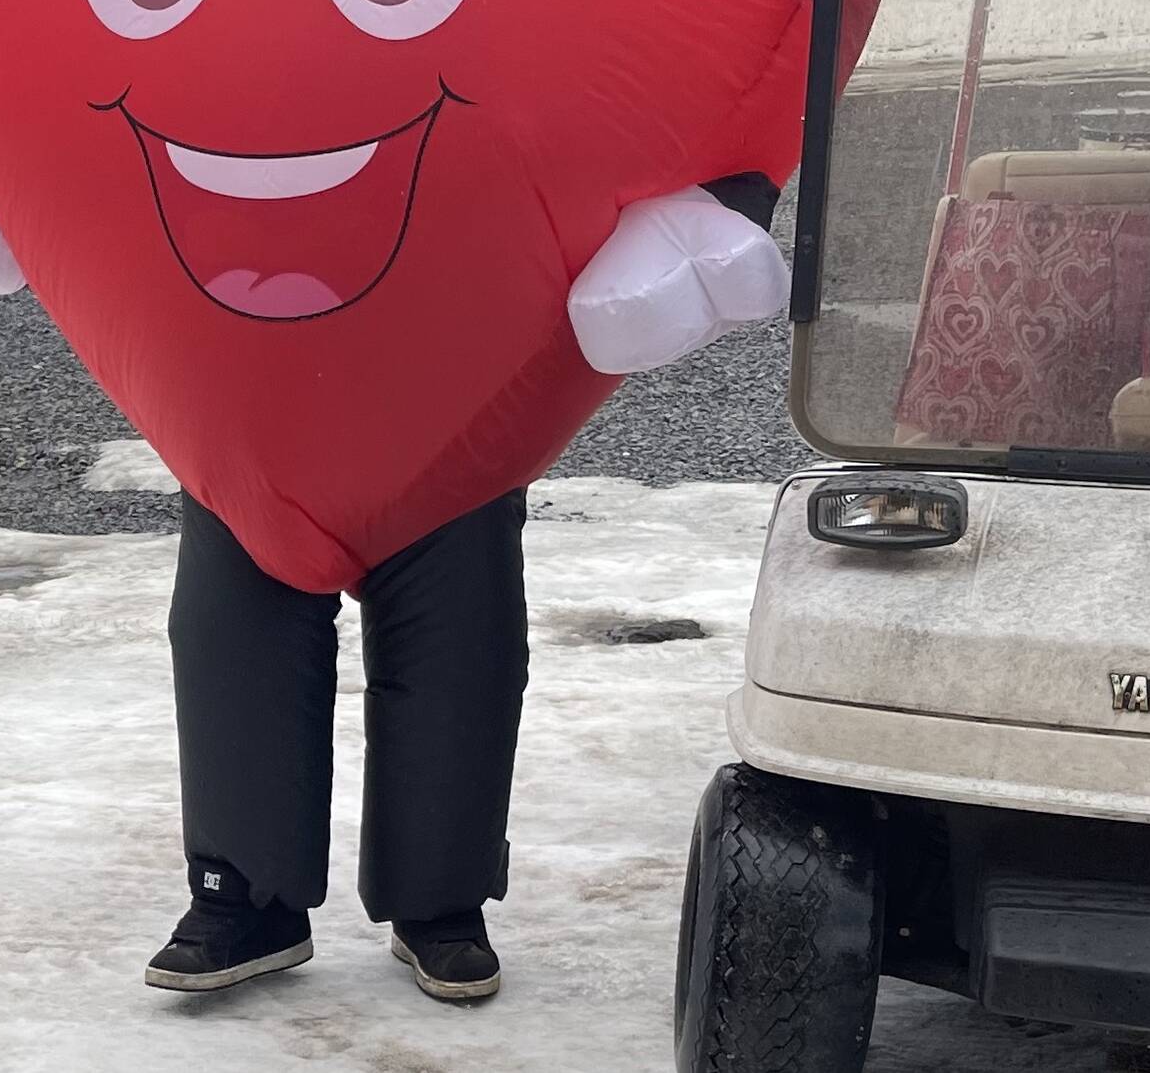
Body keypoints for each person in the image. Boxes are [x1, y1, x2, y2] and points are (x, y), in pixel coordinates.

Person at [142, 172, 784, 1001]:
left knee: (459, 636)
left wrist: (721, 199)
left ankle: (439, 901)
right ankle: (243, 895)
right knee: (234, 632)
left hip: (457, 353)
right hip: (251, 362)